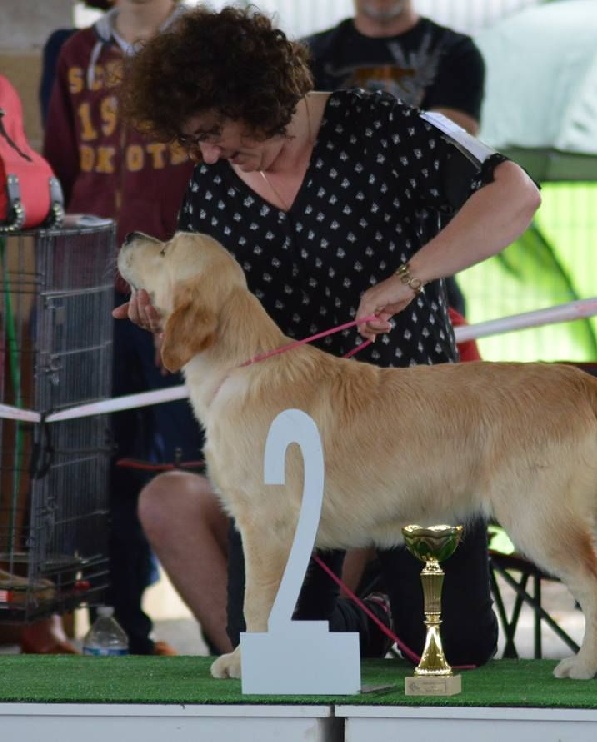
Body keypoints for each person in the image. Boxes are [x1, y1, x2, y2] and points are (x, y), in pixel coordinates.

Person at [114, 5, 541, 663]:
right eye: (191, 139)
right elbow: (207, 305)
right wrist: (160, 308)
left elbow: (516, 194)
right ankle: (366, 624)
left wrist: (412, 274)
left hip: (413, 427)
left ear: (253, 95)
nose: (206, 153)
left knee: (457, 645)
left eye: (213, 130)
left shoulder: (381, 123)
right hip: (291, 446)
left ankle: (389, 620)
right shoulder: (213, 186)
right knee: (275, 645)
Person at [43, 0, 201, 656]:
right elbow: (58, 163)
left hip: (180, 286)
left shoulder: (203, 42)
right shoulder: (78, 51)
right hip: (89, 288)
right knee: (99, 460)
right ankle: (120, 621)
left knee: (190, 458)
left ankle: (245, 621)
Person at [305, 0, 487, 318]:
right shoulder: (310, 54)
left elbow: (452, 139)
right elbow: (298, 143)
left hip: (423, 246)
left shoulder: (454, 51)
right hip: (328, 247)